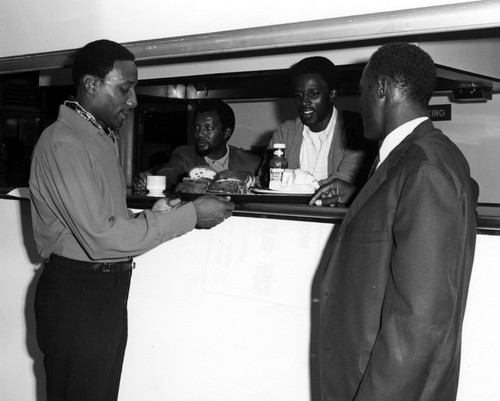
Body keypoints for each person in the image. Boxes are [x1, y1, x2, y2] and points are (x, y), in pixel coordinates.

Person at [29, 39, 233, 401]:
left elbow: (102, 221)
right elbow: (101, 237)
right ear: (92, 85)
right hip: (79, 295)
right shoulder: (64, 143)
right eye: (124, 89)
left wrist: (145, 216)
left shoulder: (97, 138)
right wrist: (190, 215)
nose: (134, 100)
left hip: (101, 292)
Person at [315, 43, 478, 401]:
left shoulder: (426, 167)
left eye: (361, 91)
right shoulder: (410, 159)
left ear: (382, 89)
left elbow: (419, 323)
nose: (359, 104)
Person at [260, 56, 376, 201]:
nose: (304, 102)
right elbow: (267, 180)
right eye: (299, 95)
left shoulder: (355, 128)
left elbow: (346, 182)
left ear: (332, 94)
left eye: (313, 94)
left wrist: (289, 184)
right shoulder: (285, 132)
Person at [134, 99, 261, 191]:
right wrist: (154, 181)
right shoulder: (184, 155)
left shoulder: (250, 162)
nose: (200, 133)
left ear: (226, 133)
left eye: (208, 128)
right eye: (197, 127)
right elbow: (170, 173)